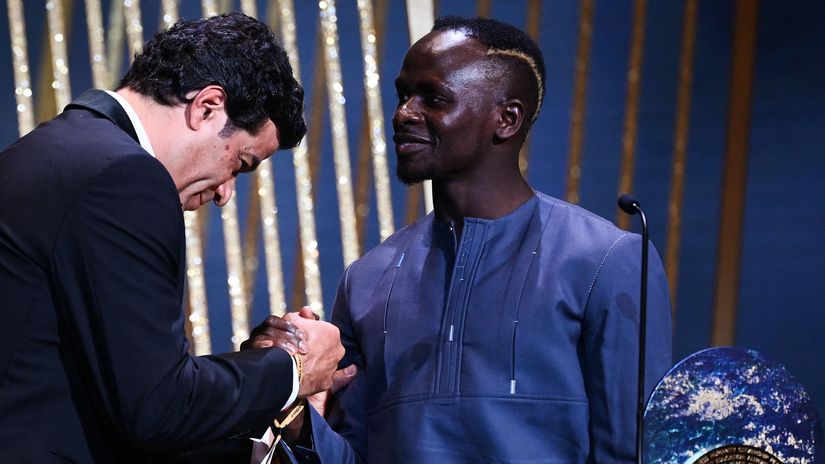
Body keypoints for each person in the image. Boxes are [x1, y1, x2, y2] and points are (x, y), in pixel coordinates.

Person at [267, 16, 673, 463]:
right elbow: (353, 455)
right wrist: (292, 409)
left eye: (433, 98)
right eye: (403, 94)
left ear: (507, 119)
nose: (403, 113)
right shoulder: (366, 279)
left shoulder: (608, 261)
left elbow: (633, 453)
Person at [0, 12, 344, 462]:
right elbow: (157, 409)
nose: (224, 193)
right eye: (240, 163)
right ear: (206, 107)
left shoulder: (51, 150)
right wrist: (295, 369)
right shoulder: (125, 178)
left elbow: (111, 393)